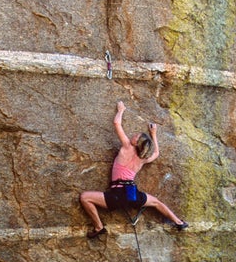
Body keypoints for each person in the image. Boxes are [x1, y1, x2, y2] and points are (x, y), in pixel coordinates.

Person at [80, 101, 188, 238]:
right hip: (132, 194)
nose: (133, 136)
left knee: (85, 197)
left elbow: (116, 124)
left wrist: (121, 110)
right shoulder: (142, 159)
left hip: (118, 194)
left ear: (137, 143)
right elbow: (156, 154)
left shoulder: (127, 147)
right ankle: (178, 222)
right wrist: (154, 134)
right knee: (156, 202)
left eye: (136, 136)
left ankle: (98, 227)